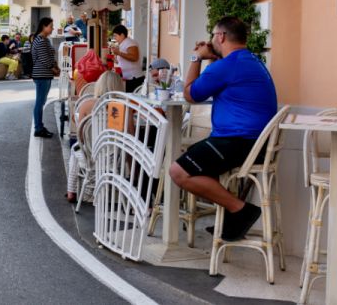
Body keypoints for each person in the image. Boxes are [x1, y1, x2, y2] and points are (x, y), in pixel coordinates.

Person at [168, 16, 278, 242]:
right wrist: (213, 57)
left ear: (221, 37)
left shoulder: (227, 66)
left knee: (178, 171)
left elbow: (191, 95)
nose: (210, 41)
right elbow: (215, 81)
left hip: (238, 141)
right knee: (200, 164)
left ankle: (240, 209)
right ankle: (232, 218)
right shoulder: (251, 61)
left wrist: (196, 57)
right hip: (256, 142)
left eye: (213, 37)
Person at [67, 70, 126, 202]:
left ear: (98, 85)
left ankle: (71, 191)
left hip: (90, 155)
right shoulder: (121, 107)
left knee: (75, 151)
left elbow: (80, 135)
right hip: (113, 157)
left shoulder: (86, 105)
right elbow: (129, 135)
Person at [31, 17, 58, 138]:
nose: (52, 28)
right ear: (44, 26)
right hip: (42, 74)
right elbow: (45, 59)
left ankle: (40, 126)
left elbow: (49, 56)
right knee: (40, 102)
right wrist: (54, 69)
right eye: (51, 26)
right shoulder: (41, 40)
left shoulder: (44, 40)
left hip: (44, 74)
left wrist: (55, 67)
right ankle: (38, 128)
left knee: (41, 102)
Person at [109, 25, 143, 93]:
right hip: (127, 77)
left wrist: (119, 53)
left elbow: (134, 57)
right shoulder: (123, 43)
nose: (115, 38)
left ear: (122, 35)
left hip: (133, 78)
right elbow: (123, 60)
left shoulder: (130, 43)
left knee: (132, 100)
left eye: (116, 36)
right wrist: (114, 59)